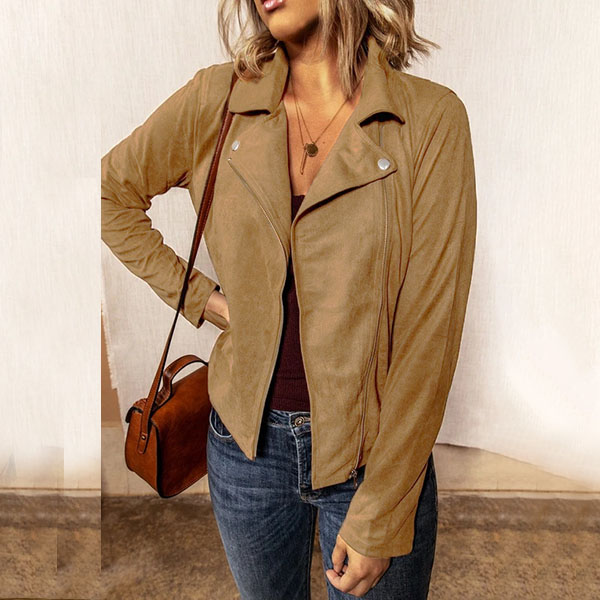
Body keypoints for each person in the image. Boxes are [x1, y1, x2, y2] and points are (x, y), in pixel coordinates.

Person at [101, 0, 477, 598]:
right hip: (244, 451)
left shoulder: (429, 120)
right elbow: (109, 195)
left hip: (372, 457)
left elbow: (429, 336)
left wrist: (382, 507)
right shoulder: (219, 100)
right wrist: (202, 299)